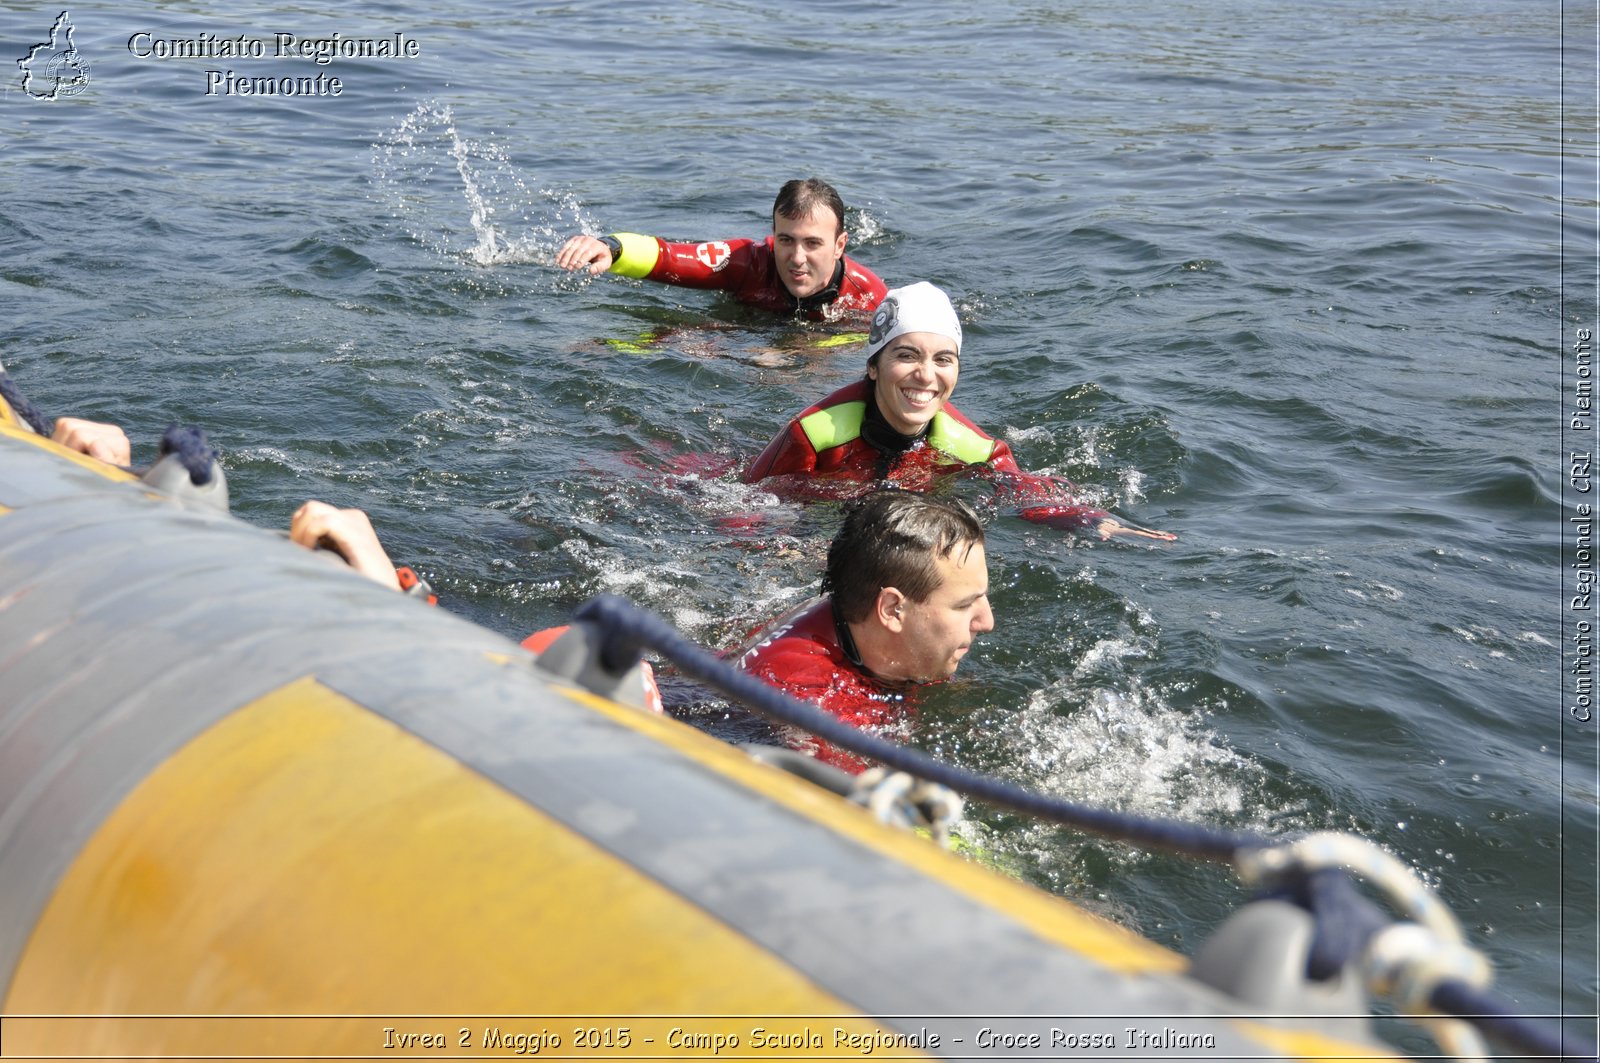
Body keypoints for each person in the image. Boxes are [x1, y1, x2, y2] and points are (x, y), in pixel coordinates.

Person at [741, 281, 1176, 541]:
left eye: (943, 360)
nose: (926, 376)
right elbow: (747, 504)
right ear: (873, 366)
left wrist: (1091, 520)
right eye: (907, 356)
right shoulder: (814, 433)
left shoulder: (972, 447)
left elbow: (1022, 491)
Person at [730, 490, 993, 772]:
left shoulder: (853, 617)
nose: (987, 621)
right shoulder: (815, 705)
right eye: (964, 604)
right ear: (893, 610)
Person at [555, 177, 887, 320]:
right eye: (786, 240)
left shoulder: (869, 297)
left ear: (839, 245)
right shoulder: (746, 262)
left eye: (813, 244)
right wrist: (611, 247)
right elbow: (670, 258)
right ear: (773, 234)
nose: (797, 258)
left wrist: (801, 352)